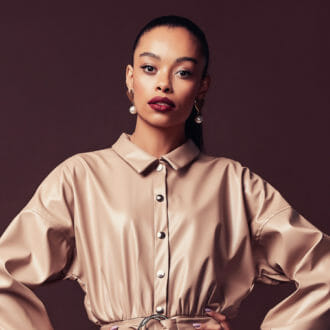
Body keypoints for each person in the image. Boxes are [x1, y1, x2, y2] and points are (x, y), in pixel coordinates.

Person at [0, 15, 329, 330]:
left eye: (183, 72)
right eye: (149, 68)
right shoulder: (80, 178)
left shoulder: (235, 184)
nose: (163, 84)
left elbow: (323, 271)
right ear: (130, 77)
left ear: (202, 86)